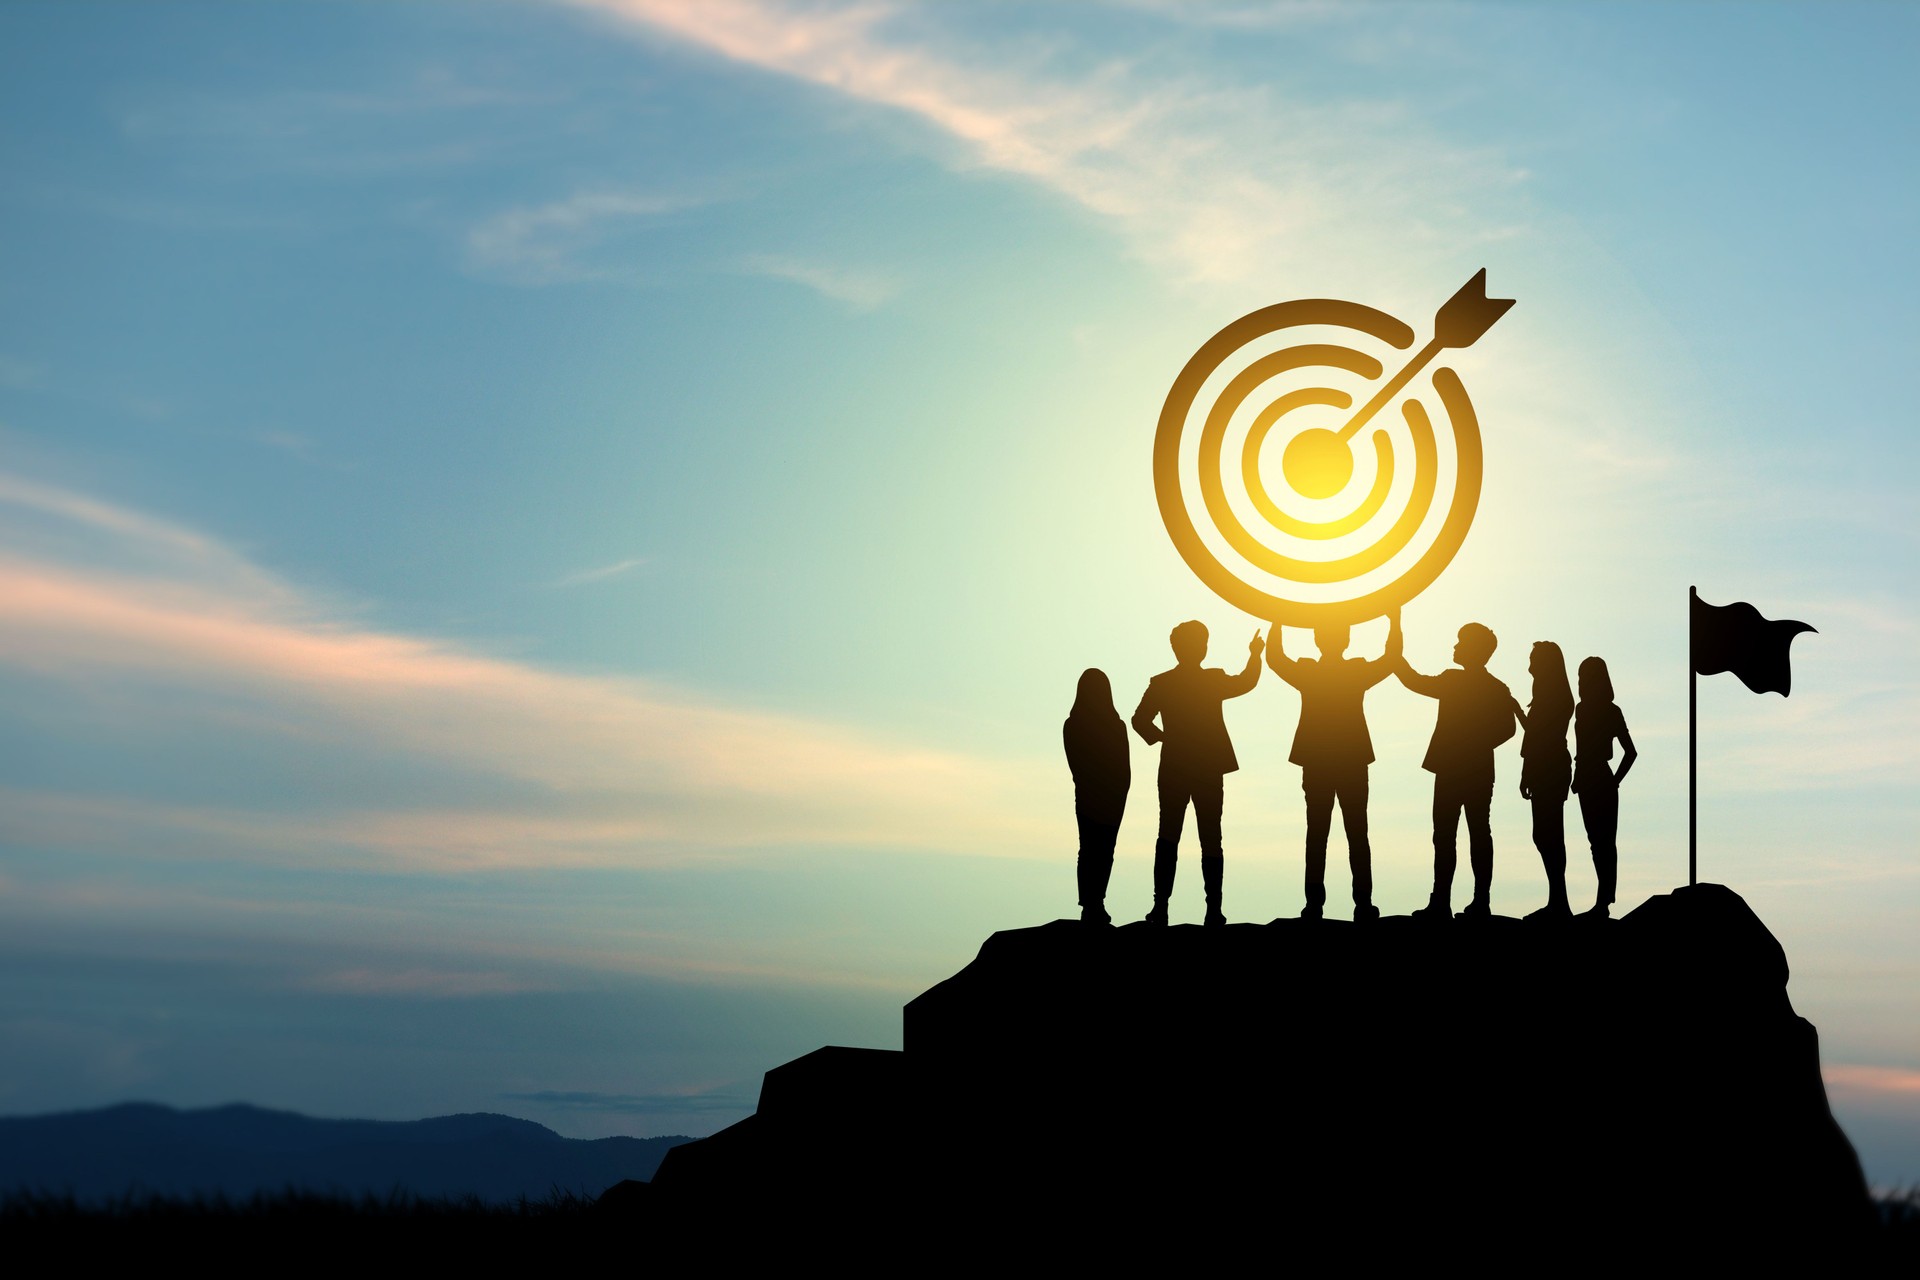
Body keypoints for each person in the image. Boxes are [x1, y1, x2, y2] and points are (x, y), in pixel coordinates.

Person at [1266, 611, 1402, 922]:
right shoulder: (1354, 671)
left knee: (1318, 834)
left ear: (1316, 639)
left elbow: (1275, 658)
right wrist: (1394, 621)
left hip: (1319, 760)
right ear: (1347, 639)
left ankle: (1315, 905)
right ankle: (1362, 904)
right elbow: (1392, 657)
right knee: (1356, 833)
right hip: (1350, 759)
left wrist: (1276, 618)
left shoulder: (1309, 672)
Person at [1131, 621, 1264, 927]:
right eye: (1198, 643)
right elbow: (1246, 682)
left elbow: (1139, 720)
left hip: (1183, 767)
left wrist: (1161, 737)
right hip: (1200, 767)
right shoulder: (1203, 681)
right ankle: (1205, 910)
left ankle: (1168, 908)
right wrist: (1255, 655)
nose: (1201, 648)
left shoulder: (1165, 683)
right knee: (1200, 838)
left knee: (1174, 837)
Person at [1394, 621, 1517, 920]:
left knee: (1461, 834)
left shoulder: (1466, 683)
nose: (1455, 647)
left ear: (1474, 650)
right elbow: (1508, 729)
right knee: (1459, 834)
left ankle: (1462, 901)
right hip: (1466, 768)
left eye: (1461, 642)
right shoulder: (1491, 687)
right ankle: (1457, 901)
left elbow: (1413, 680)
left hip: (1457, 768)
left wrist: (1473, 742)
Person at [1511, 642, 1575, 920]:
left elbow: (1538, 734)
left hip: (1549, 767)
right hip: (1545, 767)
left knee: (1548, 834)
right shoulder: (1550, 694)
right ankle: (1557, 900)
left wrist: (1515, 709)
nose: (1530, 662)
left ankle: (1559, 902)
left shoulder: (1554, 696)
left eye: (1534, 658)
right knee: (1545, 834)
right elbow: (1535, 733)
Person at [1064, 668, 1130, 926]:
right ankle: (1092, 904)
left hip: (1101, 795)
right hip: (1098, 795)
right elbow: (1078, 765)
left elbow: (1123, 767)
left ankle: (1094, 902)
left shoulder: (1081, 725)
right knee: (1098, 850)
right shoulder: (1076, 725)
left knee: (1094, 850)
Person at [1573, 656, 1637, 918]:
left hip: (1601, 777)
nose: (1581, 682)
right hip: (1586, 778)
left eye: (1584, 677)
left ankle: (1604, 901)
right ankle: (1602, 899)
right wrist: (1577, 777)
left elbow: (1630, 752)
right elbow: (1580, 749)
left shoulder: (1612, 711)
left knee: (1605, 842)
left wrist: (1615, 781)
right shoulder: (1580, 709)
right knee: (1595, 842)